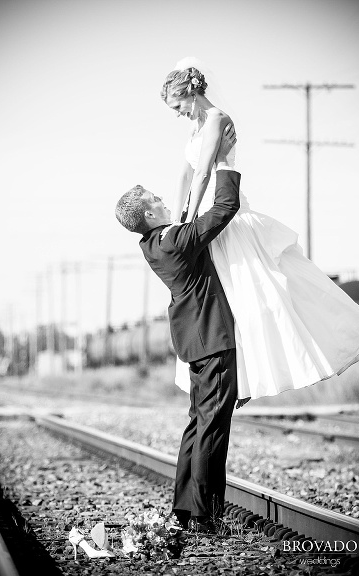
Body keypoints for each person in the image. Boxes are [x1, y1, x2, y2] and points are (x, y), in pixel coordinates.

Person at [161, 60, 359, 401]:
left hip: (222, 214)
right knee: (223, 302)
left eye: (178, 105)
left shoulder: (216, 120)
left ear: (193, 93)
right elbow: (183, 175)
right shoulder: (196, 126)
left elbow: (201, 174)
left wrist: (188, 219)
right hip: (203, 215)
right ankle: (234, 379)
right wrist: (177, 218)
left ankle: (249, 379)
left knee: (253, 300)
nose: (178, 113)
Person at [115, 124, 240, 532]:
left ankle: (185, 509)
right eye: (156, 199)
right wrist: (225, 162)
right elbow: (224, 208)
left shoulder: (155, 242)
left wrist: (194, 161)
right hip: (212, 337)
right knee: (212, 427)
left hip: (194, 342)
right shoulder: (176, 240)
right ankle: (205, 515)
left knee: (197, 423)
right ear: (150, 214)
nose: (163, 200)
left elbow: (187, 205)